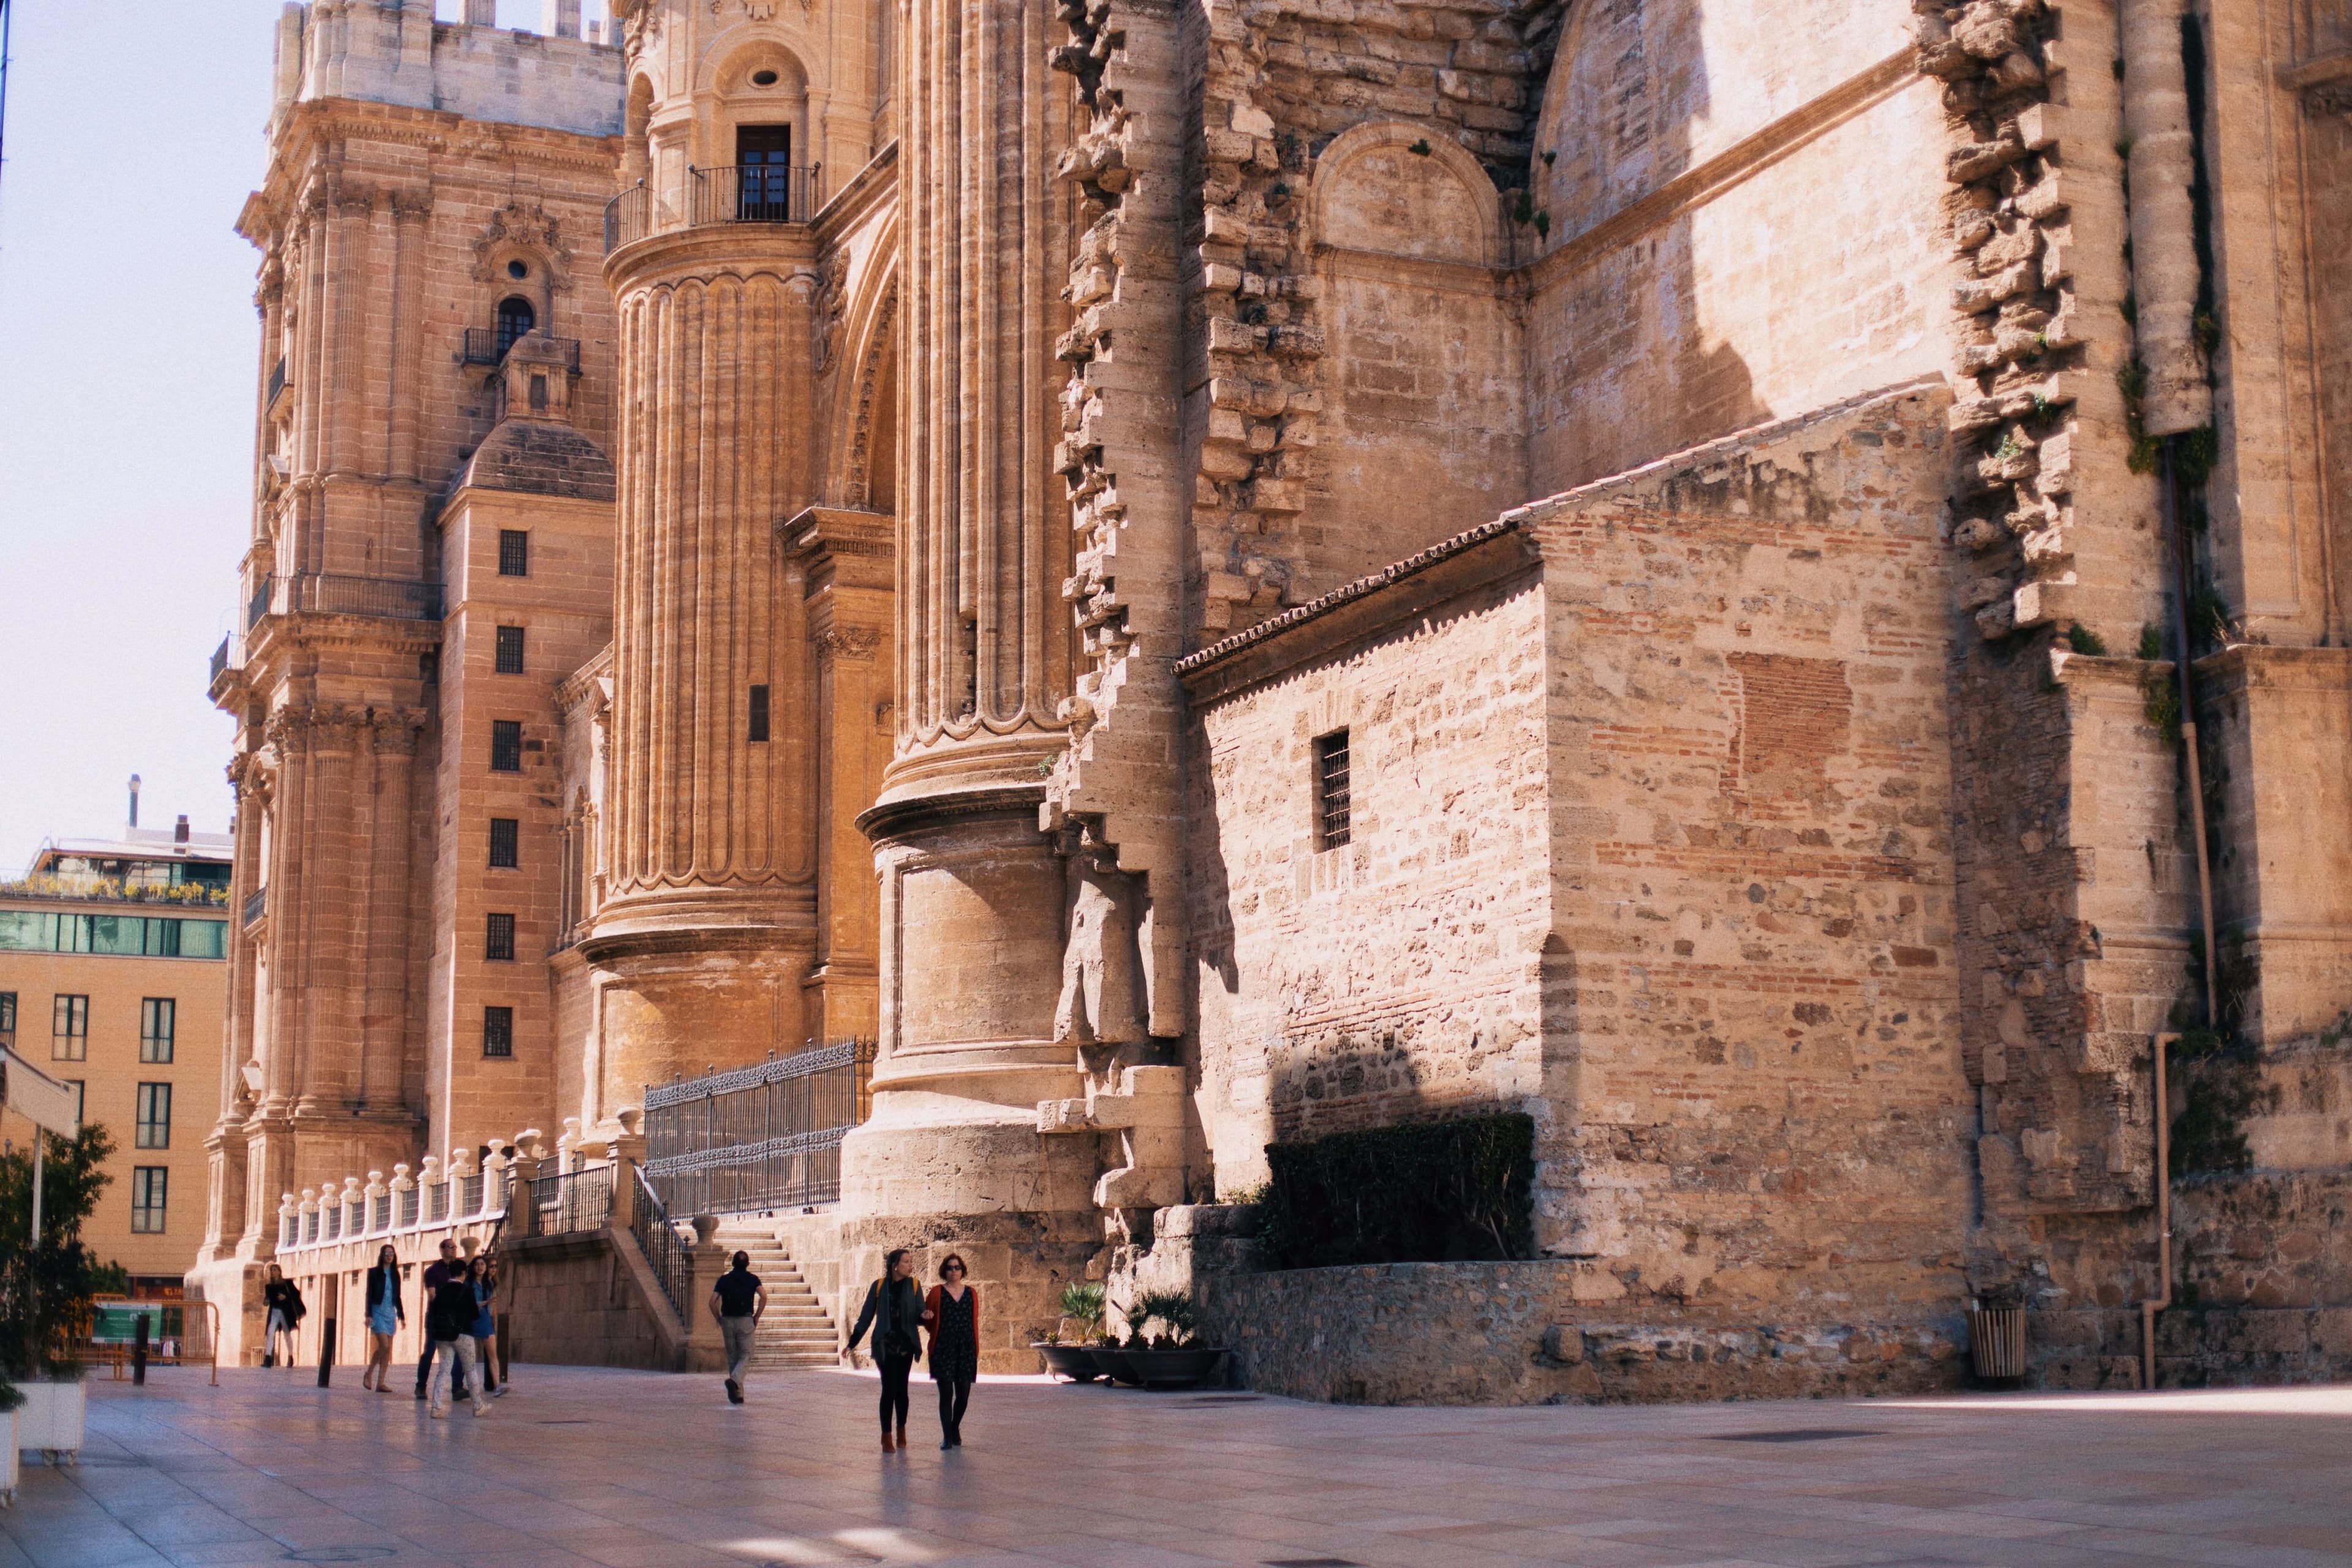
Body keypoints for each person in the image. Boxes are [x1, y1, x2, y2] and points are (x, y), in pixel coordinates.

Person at [844, 1248, 922, 1452]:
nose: (910, 1265)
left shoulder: (914, 1286)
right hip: (885, 1346)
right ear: (895, 1265)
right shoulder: (879, 1287)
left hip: (905, 1345)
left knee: (902, 1391)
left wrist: (927, 1315)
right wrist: (852, 1343)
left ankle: (901, 1430)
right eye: (906, 1262)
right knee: (888, 1389)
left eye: (910, 1262)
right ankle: (886, 1435)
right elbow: (866, 1317)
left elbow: (919, 1313)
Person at [921, 1254, 979, 1450]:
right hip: (943, 1349)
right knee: (946, 1395)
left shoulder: (972, 1293)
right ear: (944, 1271)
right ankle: (947, 1436)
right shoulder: (937, 1292)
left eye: (957, 1267)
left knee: (963, 1395)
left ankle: (955, 1428)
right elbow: (929, 1321)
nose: (953, 1271)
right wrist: (926, 1317)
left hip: (966, 1349)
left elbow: (974, 1322)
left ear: (962, 1270)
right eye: (950, 1268)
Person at [423, 1256, 490, 1419]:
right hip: (463, 1335)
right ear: (463, 1273)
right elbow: (474, 1315)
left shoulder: (442, 1291)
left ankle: (436, 1407)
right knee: (470, 1370)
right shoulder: (466, 1291)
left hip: (443, 1336)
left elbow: (436, 1310)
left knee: (443, 1370)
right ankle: (478, 1406)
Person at [706, 1250, 766, 1406]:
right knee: (747, 1354)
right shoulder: (753, 1279)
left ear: (733, 1263)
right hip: (745, 1320)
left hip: (727, 1319)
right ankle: (734, 1381)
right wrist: (757, 1315)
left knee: (733, 1356)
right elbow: (764, 1296)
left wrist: (718, 1318)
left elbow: (712, 1301)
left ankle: (738, 1395)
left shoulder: (724, 1280)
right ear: (747, 1264)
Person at [413, 1238, 467, 1401]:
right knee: (430, 1351)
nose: (454, 1250)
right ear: (442, 1250)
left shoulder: (458, 1269)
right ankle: (421, 1385)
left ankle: (457, 1387)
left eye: (455, 1247)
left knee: (459, 1351)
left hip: (454, 1318)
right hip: (437, 1318)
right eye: (451, 1247)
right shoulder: (433, 1271)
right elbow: (432, 1295)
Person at [360, 1245, 404, 1392]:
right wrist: (368, 1315)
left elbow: (398, 1296)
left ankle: (381, 1383)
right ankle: (369, 1373)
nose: (389, 1256)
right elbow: (370, 1294)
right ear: (382, 1256)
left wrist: (401, 1316)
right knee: (384, 1345)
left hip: (390, 1313)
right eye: (387, 1254)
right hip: (377, 1312)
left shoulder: (395, 1274)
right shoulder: (374, 1273)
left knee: (387, 1350)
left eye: (392, 1253)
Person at [467, 1253, 503, 1398]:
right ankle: (469, 1385)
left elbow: (493, 1304)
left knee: (493, 1354)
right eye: (478, 1265)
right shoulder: (469, 1284)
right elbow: (469, 1304)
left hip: (486, 1320)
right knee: (469, 1356)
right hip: (472, 1320)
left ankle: (497, 1385)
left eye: (483, 1265)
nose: (481, 1267)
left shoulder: (490, 1284)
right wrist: (484, 1303)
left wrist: (493, 1317)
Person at [261, 1265, 304, 1369]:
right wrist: (266, 1301)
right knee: (270, 1332)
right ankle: (267, 1358)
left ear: (279, 1272)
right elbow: (267, 1300)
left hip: (285, 1312)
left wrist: (286, 1297)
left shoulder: (287, 1284)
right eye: (271, 1270)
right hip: (275, 1311)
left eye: (274, 1270)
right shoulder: (269, 1286)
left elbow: (296, 1294)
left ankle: (290, 1356)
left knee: (287, 1334)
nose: (272, 1272)